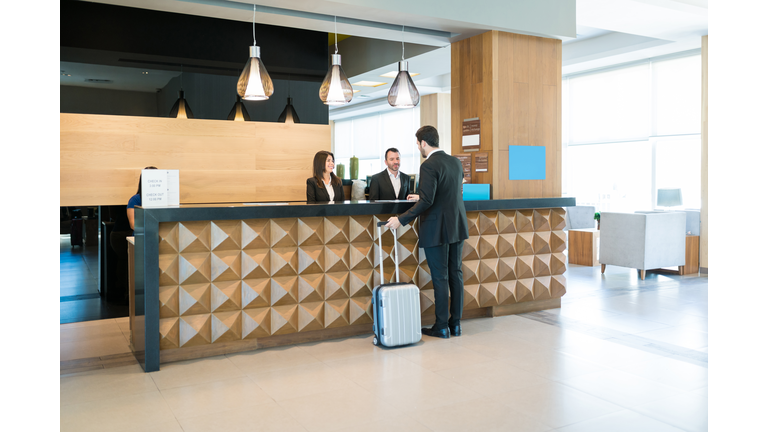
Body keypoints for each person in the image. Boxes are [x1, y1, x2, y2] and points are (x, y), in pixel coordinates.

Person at [384, 126, 468, 339]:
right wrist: (420, 197)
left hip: (437, 228)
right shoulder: (455, 162)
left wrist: (401, 219)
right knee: (455, 275)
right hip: (456, 225)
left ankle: (441, 327)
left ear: (423, 143)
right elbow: (449, 192)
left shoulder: (429, 165)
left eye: (418, 144)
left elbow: (429, 201)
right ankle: (455, 325)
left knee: (440, 278)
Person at [110, 166, 157, 304]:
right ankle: (133, 299)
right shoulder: (136, 199)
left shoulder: (162, 198)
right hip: (141, 240)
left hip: (156, 239)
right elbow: (133, 224)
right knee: (137, 272)